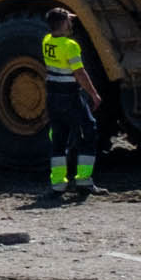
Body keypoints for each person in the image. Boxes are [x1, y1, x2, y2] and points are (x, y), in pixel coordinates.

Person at [40, 16, 106, 202]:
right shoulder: (70, 46)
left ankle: (58, 185)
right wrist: (93, 94)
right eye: (69, 21)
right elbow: (80, 73)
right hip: (70, 97)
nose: (72, 23)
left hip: (53, 97)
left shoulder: (47, 41)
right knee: (89, 130)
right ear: (63, 24)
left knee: (58, 140)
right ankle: (84, 180)